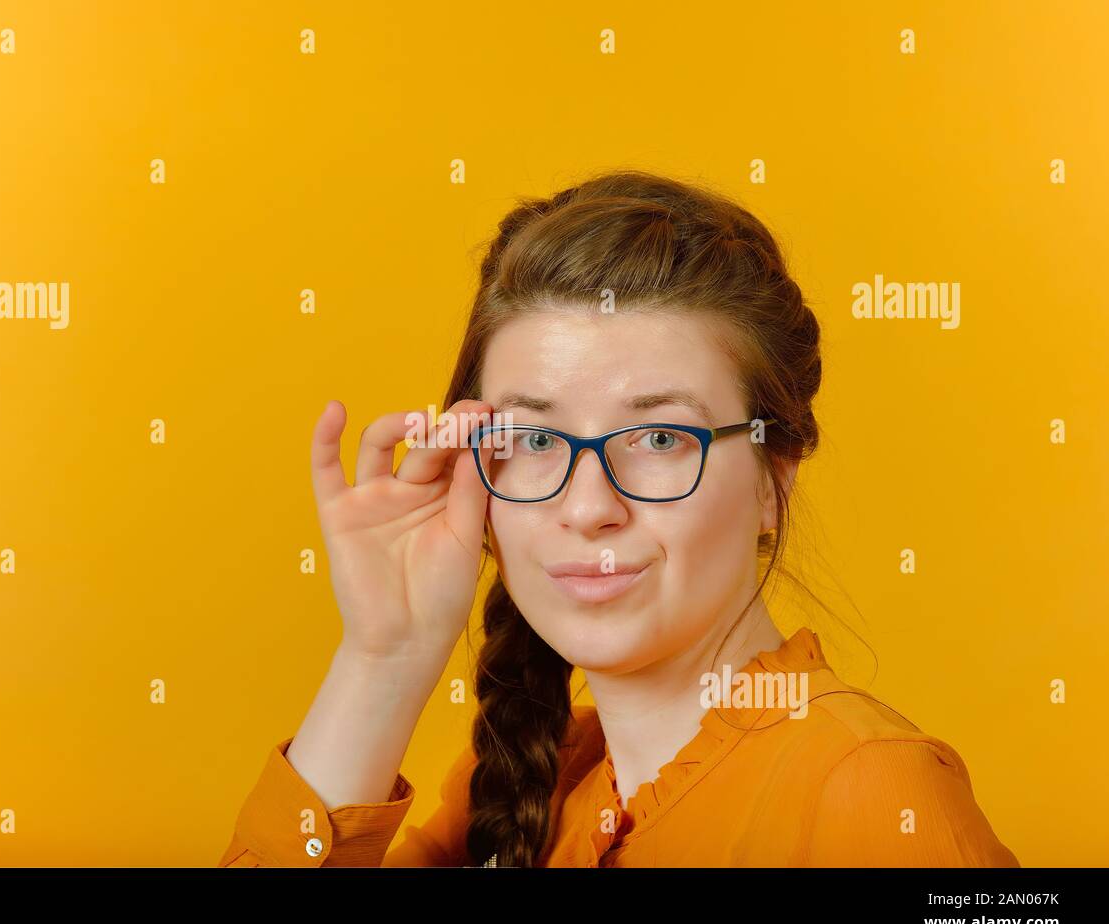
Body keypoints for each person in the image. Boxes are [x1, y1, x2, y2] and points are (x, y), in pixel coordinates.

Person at [217, 170, 1020, 867]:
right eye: (535, 437)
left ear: (774, 476)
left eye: (660, 437)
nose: (590, 506)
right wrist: (383, 660)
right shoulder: (525, 782)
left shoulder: (869, 787)